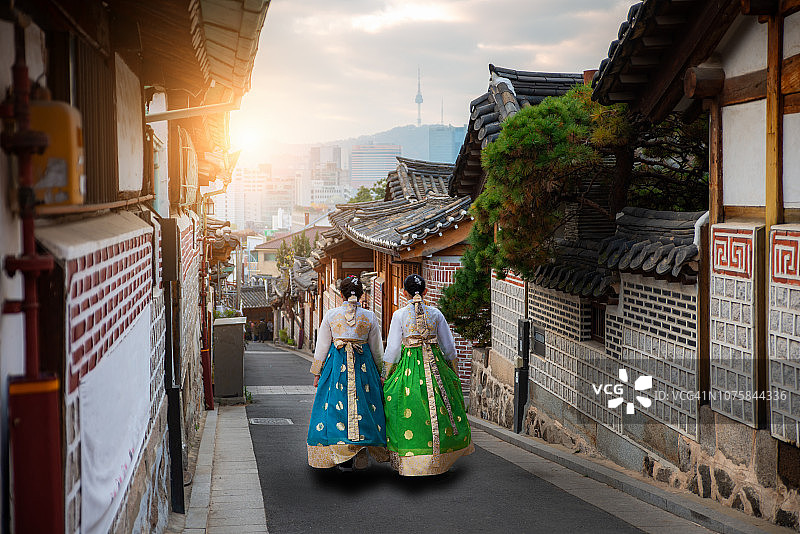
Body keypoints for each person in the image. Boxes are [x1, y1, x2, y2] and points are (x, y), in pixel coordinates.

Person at [382, 274, 473, 476]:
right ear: (425, 291)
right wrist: (453, 371)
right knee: (440, 408)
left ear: (404, 293)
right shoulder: (436, 314)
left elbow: (393, 349)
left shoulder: (399, 315)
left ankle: (412, 460)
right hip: (435, 365)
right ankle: (438, 459)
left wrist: (386, 374)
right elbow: (449, 347)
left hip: (409, 367)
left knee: (407, 407)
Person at [307, 276, 387, 470]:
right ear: (361, 294)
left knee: (336, 408)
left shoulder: (331, 315)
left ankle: (342, 452)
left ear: (341, 295)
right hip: (363, 367)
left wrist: (317, 373)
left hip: (336, 366)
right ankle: (360, 449)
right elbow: (377, 349)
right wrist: (381, 372)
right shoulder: (369, 316)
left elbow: (322, 346)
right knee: (365, 407)